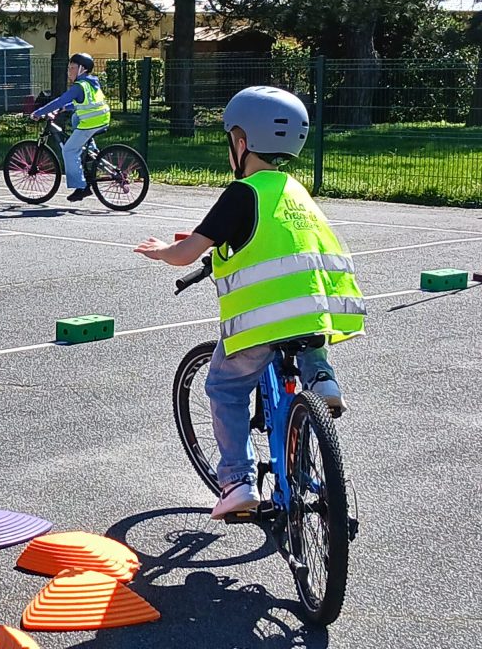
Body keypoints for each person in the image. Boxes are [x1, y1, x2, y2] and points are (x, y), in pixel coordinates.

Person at [134, 86, 366, 519]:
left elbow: (186, 254)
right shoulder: (296, 192)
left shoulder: (242, 193)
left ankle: (237, 482)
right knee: (303, 329)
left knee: (225, 387)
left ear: (240, 143)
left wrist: (163, 251)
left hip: (260, 322)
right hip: (317, 309)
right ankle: (322, 381)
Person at [30, 53, 111, 201]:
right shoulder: (91, 83)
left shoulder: (78, 87)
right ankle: (90, 151)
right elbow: (83, 103)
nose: (69, 71)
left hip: (91, 123)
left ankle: (81, 187)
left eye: (72, 68)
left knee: (68, 150)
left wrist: (38, 112)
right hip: (102, 119)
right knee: (75, 117)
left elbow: (59, 100)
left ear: (82, 69)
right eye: (69, 68)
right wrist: (64, 108)